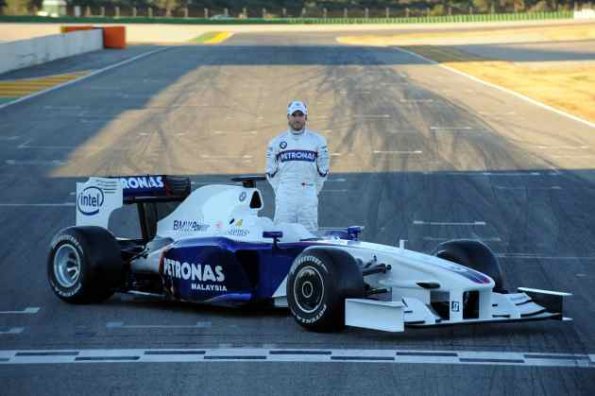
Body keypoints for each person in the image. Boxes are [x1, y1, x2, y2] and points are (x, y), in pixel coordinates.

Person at [265, 100, 329, 232]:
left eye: (300, 115)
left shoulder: (318, 141)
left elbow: (323, 170)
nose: (297, 118)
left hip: (308, 193)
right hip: (285, 194)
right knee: (282, 234)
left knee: (309, 234)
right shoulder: (277, 142)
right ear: (288, 117)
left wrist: (311, 190)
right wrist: (283, 189)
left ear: (306, 117)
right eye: (294, 115)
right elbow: (270, 172)